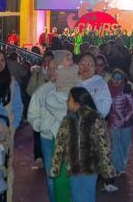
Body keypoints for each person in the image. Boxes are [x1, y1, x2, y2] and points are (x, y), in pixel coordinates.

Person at [51, 87, 117, 201]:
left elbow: (103, 144)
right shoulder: (69, 119)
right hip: (76, 167)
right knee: (77, 194)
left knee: (85, 194)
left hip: (88, 167)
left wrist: (107, 168)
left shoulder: (94, 118)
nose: (66, 101)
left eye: (69, 99)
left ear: (77, 103)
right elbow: (60, 144)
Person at [29, 60, 79, 201]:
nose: (52, 72)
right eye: (49, 68)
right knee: (51, 177)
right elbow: (33, 113)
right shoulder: (42, 91)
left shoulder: (72, 88)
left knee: (71, 176)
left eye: (55, 68)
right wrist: (41, 125)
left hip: (70, 137)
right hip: (47, 138)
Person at [103, 68, 133, 192]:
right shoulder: (106, 89)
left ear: (123, 80)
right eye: (114, 78)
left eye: (119, 79)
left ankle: (122, 164)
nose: (116, 81)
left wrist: (125, 118)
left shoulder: (126, 90)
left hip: (126, 124)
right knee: (115, 145)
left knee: (125, 144)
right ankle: (118, 166)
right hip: (113, 123)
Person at [78, 51, 112, 117]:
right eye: (83, 63)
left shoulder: (101, 83)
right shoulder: (70, 81)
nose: (86, 67)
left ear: (94, 68)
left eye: (90, 64)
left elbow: (105, 107)